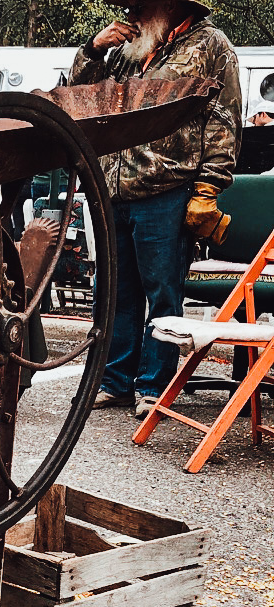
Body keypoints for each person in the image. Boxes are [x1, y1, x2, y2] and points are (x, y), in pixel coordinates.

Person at [70, 0, 241, 420]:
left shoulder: (213, 46)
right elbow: (78, 98)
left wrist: (208, 188)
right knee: (114, 294)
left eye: (141, 5)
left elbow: (224, 122)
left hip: (169, 188)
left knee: (162, 294)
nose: (133, 13)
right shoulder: (127, 52)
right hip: (113, 188)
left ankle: (153, 388)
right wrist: (93, 49)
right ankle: (114, 382)